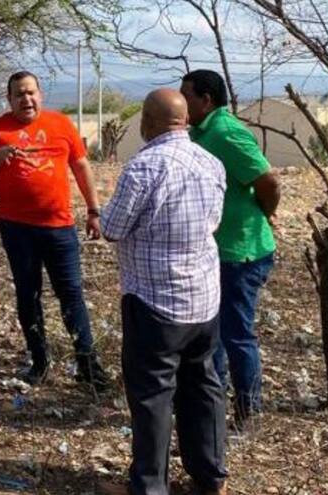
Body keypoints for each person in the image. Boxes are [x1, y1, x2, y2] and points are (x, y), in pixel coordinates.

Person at [99, 89, 228, 495]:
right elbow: (214, 221)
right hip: (204, 299)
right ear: (185, 120)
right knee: (204, 388)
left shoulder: (144, 167)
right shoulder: (211, 163)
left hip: (155, 301)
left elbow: (113, 229)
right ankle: (210, 477)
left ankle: (150, 487)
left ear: (149, 123)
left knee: (153, 396)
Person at [0, 71, 110, 392]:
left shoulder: (60, 124)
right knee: (28, 293)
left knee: (71, 294)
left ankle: (88, 364)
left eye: (31, 92)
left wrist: (93, 211)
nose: (26, 99)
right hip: (17, 229)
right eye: (19, 94)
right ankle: (39, 362)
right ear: (9, 99)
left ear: (40, 95)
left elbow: (81, 166)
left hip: (59, 227)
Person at [181, 69, 280, 428]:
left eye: (187, 95)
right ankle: (214, 410)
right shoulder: (198, 134)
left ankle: (249, 413)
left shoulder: (227, 134)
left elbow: (267, 181)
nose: (182, 102)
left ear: (206, 100)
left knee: (237, 334)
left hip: (242, 252)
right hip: (216, 252)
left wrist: (264, 214)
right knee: (214, 335)